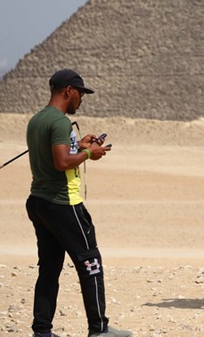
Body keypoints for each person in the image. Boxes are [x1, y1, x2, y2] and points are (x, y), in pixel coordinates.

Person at [25, 69, 132, 337]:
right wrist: (88, 152)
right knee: (90, 263)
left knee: (49, 268)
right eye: (80, 94)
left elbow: (57, 154)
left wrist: (81, 146)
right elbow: (62, 162)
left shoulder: (37, 120)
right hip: (64, 204)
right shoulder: (60, 122)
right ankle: (99, 329)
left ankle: (42, 331)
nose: (81, 99)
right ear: (68, 91)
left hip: (39, 201)